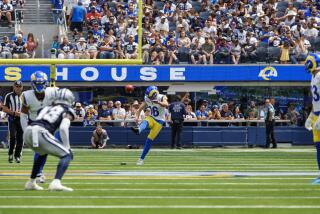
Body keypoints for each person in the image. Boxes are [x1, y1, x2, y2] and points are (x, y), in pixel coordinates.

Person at [24, 88, 75, 191]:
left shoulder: (47, 107)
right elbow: (63, 128)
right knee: (67, 155)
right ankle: (56, 182)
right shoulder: (67, 110)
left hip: (29, 131)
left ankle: (31, 182)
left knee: (42, 153)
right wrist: (67, 147)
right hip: (40, 132)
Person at [20, 71, 59, 183]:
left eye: (41, 83)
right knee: (41, 148)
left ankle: (38, 173)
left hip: (48, 123)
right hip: (34, 123)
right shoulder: (27, 96)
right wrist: (25, 132)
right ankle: (38, 173)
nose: (40, 86)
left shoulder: (53, 92)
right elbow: (23, 115)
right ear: (32, 84)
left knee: (44, 149)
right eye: (37, 83)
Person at [131, 86, 169, 165]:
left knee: (149, 140)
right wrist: (136, 116)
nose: (149, 98)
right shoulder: (147, 98)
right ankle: (139, 130)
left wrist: (158, 102)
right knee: (146, 121)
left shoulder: (161, 97)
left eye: (151, 96)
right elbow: (140, 109)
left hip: (160, 122)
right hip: (152, 117)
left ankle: (141, 159)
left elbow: (166, 104)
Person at [304, 53, 320, 184]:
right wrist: (311, 115)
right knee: (318, 147)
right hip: (316, 114)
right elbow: (316, 101)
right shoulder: (313, 76)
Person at [1, 81, 23, 163]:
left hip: (22, 119)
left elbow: (28, 107)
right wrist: (14, 113)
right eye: (16, 86)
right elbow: (4, 108)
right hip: (12, 119)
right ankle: (10, 154)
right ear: (14, 87)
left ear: (22, 87)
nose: (18, 88)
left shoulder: (24, 96)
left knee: (20, 138)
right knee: (13, 137)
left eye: (19, 86)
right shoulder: (9, 96)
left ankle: (17, 155)